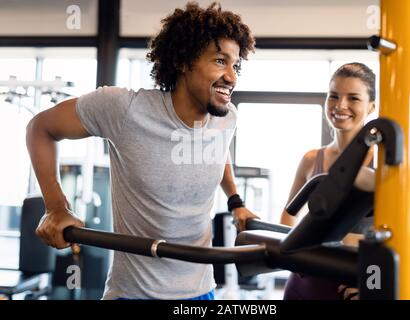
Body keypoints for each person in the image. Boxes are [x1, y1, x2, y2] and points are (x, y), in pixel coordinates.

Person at [26, 2, 258, 300]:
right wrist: (55, 207)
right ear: (184, 61)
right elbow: (40, 128)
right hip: (134, 292)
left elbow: (217, 149)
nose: (232, 76)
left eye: (235, 65)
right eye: (220, 61)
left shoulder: (227, 118)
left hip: (201, 292)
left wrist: (235, 201)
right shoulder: (124, 109)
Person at [280, 62, 410, 300]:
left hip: (360, 285)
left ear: (371, 107)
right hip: (306, 285)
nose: (341, 105)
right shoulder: (311, 160)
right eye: (334, 96)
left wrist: (388, 280)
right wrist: (295, 257)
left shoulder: (389, 166)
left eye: (353, 98)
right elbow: (288, 216)